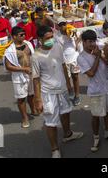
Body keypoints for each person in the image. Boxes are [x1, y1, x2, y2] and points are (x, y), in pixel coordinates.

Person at [32, 25, 84, 158]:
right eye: (47, 38)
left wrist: (69, 86)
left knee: (66, 112)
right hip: (48, 93)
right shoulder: (36, 56)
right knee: (51, 122)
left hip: (63, 90)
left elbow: (63, 66)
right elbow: (36, 79)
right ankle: (55, 149)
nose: (50, 40)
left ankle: (68, 134)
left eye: (51, 37)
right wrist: (37, 99)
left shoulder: (58, 47)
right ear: (40, 39)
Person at [77, 30, 108, 152]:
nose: (92, 44)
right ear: (84, 42)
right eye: (89, 42)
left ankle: (107, 133)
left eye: (94, 41)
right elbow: (91, 73)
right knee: (96, 115)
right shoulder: (81, 58)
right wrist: (97, 57)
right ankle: (96, 137)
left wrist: (104, 55)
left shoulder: (99, 49)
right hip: (96, 91)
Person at [5, 27, 37, 128]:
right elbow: (8, 66)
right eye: (21, 35)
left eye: (24, 34)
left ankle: (33, 110)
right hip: (19, 77)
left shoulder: (28, 44)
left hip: (31, 74)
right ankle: (24, 118)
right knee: (21, 98)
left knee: (31, 95)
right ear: (14, 36)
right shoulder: (10, 50)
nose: (24, 36)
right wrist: (23, 69)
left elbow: (34, 57)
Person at [55, 18, 82, 106]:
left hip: (74, 58)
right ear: (58, 26)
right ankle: (70, 91)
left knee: (75, 76)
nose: (63, 26)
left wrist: (76, 42)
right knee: (66, 78)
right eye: (61, 25)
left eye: (64, 24)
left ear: (66, 24)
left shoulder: (72, 30)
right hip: (64, 59)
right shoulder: (57, 35)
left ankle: (77, 95)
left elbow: (79, 37)